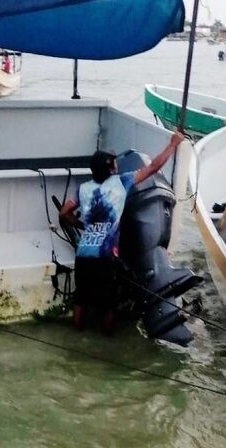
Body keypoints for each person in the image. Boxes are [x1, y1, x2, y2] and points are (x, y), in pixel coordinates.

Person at [59, 132, 185, 334]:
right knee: (109, 303)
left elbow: (64, 212)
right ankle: (107, 336)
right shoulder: (121, 182)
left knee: (81, 299)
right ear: (110, 169)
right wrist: (172, 145)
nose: (116, 165)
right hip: (105, 255)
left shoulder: (83, 189)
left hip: (83, 254)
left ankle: (77, 333)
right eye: (113, 164)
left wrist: (82, 225)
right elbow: (153, 167)